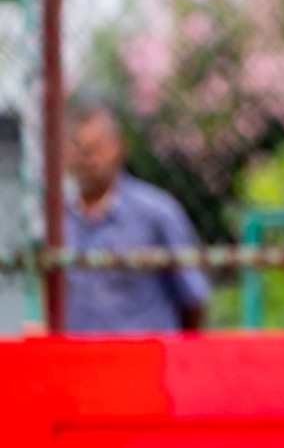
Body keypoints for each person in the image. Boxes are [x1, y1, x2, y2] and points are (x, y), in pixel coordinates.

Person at [63, 100, 210, 333]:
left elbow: (192, 297)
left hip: (145, 360)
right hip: (77, 361)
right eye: (79, 148)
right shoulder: (55, 220)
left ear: (119, 147)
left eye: (97, 147)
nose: (87, 158)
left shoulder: (157, 213)